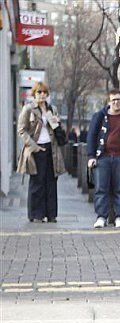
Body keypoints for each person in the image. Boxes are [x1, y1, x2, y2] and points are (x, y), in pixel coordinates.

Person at [17, 81, 66, 223]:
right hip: (36, 150)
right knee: (37, 183)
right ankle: (36, 214)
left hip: (52, 149)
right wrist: (34, 146)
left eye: (44, 92)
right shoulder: (28, 109)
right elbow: (21, 130)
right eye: (39, 92)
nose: (42, 95)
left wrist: (57, 122)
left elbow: (56, 129)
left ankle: (51, 214)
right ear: (34, 94)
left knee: (51, 182)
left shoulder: (52, 109)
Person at [87, 89, 120, 229]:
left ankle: (119, 217)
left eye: (118, 99)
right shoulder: (99, 116)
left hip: (119, 157)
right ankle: (101, 217)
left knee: (119, 188)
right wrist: (91, 156)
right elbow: (91, 136)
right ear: (109, 102)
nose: (116, 102)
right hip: (102, 157)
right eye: (113, 100)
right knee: (101, 188)